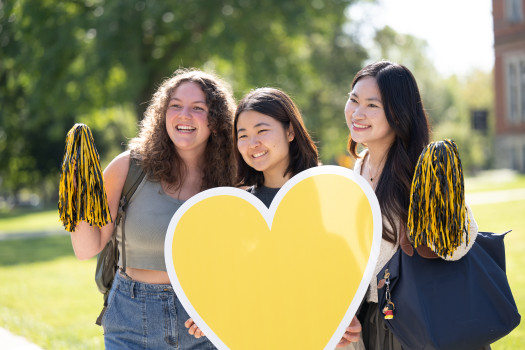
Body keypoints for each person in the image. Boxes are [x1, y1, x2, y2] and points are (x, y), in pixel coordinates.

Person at [69, 68, 236, 349]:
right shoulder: (128, 167)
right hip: (131, 321)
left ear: (216, 120)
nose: (184, 115)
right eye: (175, 106)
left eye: (198, 108)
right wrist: (77, 193)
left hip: (204, 323)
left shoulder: (235, 178)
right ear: (162, 114)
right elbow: (87, 248)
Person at [337, 61, 481, 349]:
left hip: (420, 319)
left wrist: (438, 194)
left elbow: (459, 246)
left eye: (372, 105)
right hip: (375, 318)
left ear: (398, 113)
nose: (357, 112)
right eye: (353, 100)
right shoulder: (359, 165)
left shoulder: (420, 168)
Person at [185, 87, 319, 339]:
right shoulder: (242, 208)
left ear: (290, 131)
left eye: (262, 131)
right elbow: (238, 283)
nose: (252, 143)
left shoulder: (326, 192)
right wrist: (212, 314)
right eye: (243, 135)